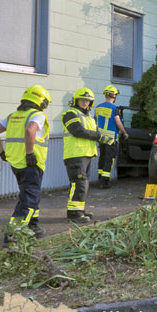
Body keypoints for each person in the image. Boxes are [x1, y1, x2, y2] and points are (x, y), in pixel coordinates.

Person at [0, 85, 52, 245]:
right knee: (28, 200)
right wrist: (30, 152)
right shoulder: (37, 115)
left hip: (16, 163)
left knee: (29, 195)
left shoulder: (13, 116)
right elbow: (31, 130)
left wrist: (1, 152)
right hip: (31, 162)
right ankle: (12, 236)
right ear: (41, 101)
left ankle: (33, 227)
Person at [62, 88, 115, 223]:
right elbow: (78, 131)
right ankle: (74, 214)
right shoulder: (69, 114)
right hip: (75, 154)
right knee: (79, 184)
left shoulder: (89, 117)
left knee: (81, 184)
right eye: (82, 100)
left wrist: (104, 138)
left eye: (88, 101)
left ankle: (78, 210)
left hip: (86, 154)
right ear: (76, 100)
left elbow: (93, 132)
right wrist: (100, 137)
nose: (85, 103)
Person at [94, 85, 129, 189]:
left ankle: (100, 178)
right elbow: (118, 122)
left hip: (100, 137)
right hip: (111, 138)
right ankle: (104, 182)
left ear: (106, 95)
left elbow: (94, 122)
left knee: (102, 157)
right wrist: (124, 132)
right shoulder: (115, 108)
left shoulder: (98, 107)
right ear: (114, 96)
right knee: (109, 159)